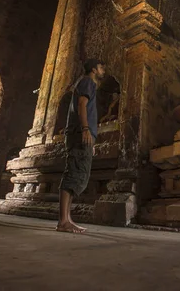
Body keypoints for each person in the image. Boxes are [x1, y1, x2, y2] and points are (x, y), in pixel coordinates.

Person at [56, 58, 106, 233]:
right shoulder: (87, 82)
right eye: (101, 67)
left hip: (83, 135)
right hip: (79, 132)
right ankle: (63, 221)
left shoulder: (87, 84)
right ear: (93, 69)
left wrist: (91, 136)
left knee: (76, 175)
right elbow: (82, 105)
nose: (103, 70)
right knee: (73, 174)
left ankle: (67, 219)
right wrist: (85, 129)